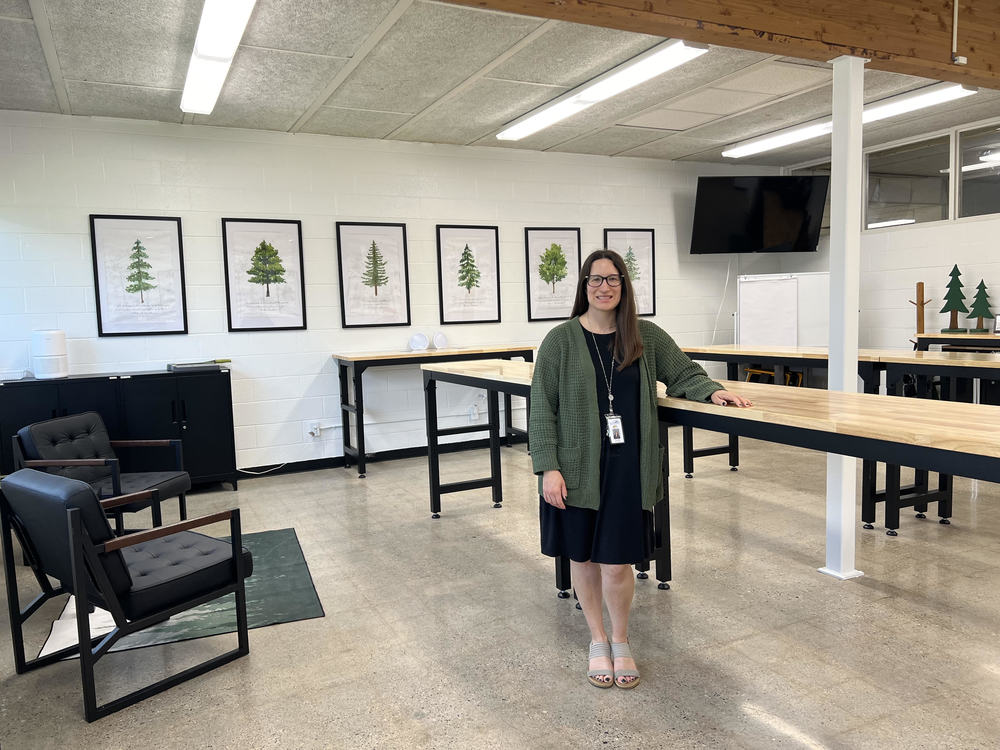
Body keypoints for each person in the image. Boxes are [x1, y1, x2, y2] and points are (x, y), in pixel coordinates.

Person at [528, 249, 752, 689]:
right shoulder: (559, 340)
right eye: (595, 280)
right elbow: (541, 408)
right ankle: (597, 640)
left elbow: (684, 373)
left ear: (624, 286)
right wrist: (547, 467)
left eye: (613, 280)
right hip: (575, 467)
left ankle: (621, 639)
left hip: (628, 467)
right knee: (584, 557)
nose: (604, 287)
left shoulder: (644, 335)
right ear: (584, 286)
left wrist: (713, 392)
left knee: (616, 562)